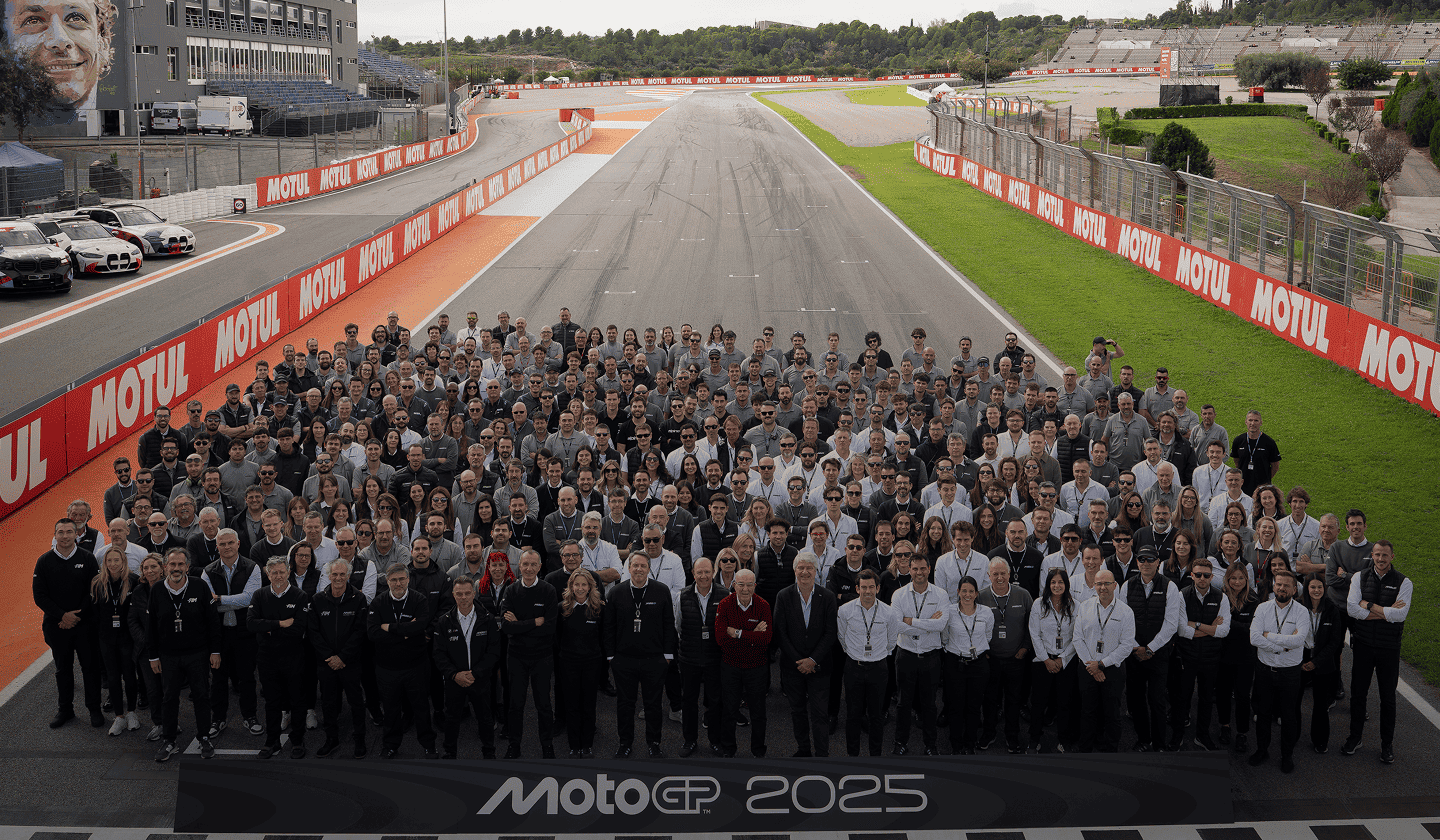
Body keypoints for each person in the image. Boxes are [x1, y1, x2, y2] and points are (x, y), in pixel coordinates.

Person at [147, 548, 221, 762]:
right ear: (165, 567)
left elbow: (213, 622)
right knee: (169, 698)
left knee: (201, 695)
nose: (176, 568)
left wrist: (215, 651)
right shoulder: (157, 589)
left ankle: (204, 737)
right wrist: (153, 656)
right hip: (168, 655)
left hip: (197, 653)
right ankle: (169, 740)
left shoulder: (200, 586)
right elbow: (151, 626)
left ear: (187, 567)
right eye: (172, 564)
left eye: (181, 564)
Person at [603, 553, 677, 758]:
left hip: (654, 660)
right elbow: (608, 627)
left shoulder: (661, 590)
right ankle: (625, 743)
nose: (638, 569)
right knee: (625, 704)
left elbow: (669, 624)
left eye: (643, 566)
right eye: (635, 565)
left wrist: (667, 656)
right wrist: (611, 657)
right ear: (629, 568)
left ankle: (654, 743)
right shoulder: (616, 592)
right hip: (623, 660)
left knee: (653, 704)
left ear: (649, 568)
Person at [1343, 540, 1409, 764]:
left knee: (1387, 698)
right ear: (1372, 555)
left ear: (1392, 557)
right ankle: (1355, 738)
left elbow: (1400, 616)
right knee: (1358, 694)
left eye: (1385, 555)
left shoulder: (1404, 582)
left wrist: (1369, 605)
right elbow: (1352, 609)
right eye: (1377, 554)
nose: (1380, 559)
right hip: (1363, 645)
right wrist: (1386, 613)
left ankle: (1386, 744)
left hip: (1389, 648)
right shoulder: (1358, 577)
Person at [34, 518, 104, 729]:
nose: (65, 536)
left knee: (90, 668)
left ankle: (94, 709)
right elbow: (39, 595)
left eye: (69, 532)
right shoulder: (44, 561)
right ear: (55, 535)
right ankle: (65, 709)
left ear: (76, 535)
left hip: (85, 625)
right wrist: (62, 616)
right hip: (57, 626)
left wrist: (75, 617)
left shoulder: (88, 558)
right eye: (61, 532)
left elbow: (94, 591)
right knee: (62, 669)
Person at [368, 564, 438, 759]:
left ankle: (429, 745)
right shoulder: (378, 602)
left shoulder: (419, 599)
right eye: (393, 580)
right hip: (387, 668)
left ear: (408, 580)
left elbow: (421, 626)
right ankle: (390, 745)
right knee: (390, 709)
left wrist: (390, 628)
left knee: (421, 707)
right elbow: (372, 633)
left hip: (416, 666)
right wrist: (405, 632)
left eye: (401, 579)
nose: (398, 583)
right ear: (387, 581)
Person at [774, 552, 838, 757]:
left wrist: (812, 660)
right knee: (797, 711)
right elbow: (780, 632)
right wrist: (799, 661)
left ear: (816, 571)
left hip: (820, 666)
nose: (805, 572)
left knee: (820, 713)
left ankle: (822, 753)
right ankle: (803, 750)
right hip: (793, 667)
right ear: (795, 571)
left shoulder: (827, 597)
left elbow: (831, 632)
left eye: (809, 568)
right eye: (801, 567)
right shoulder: (783, 596)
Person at [1119, 546, 1182, 752]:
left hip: (1159, 654)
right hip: (1134, 654)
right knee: (1136, 700)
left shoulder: (1170, 587)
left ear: (1158, 562)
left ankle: (1160, 743)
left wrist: (1150, 648)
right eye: (1142, 559)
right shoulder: (1127, 586)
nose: (1146, 563)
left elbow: (1171, 624)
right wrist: (1136, 647)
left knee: (1157, 701)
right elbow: (1122, 621)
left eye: (1150, 559)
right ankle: (1143, 739)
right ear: (1137, 562)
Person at [203, 528, 264, 739]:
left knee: (247, 677)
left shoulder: (252, 567)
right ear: (217, 546)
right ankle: (218, 719)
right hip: (219, 634)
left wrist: (220, 599)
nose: (227, 547)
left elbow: (250, 598)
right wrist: (233, 602)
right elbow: (208, 603)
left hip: (245, 632)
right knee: (218, 679)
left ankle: (250, 716)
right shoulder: (207, 571)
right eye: (222, 544)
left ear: (238, 544)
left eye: (230, 543)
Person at [247, 556, 311, 759]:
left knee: (297, 699)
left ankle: (298, 740)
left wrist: (267, 628)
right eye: (274, 572)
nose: (278, 576)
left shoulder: (300, 596)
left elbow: (299, 629)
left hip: (293, 656)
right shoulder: (259, 595)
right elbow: (251, 624)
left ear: (288, 572)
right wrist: (280, 624)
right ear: (268, 574)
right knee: (272, 701)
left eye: (282, 572)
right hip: (267, 657)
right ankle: (272, 740)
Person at [499, 549, 559, 758]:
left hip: (542, 656)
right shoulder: (511, 590)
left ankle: (547, 745)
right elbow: (507, 627)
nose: (529, 568)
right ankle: (514, 745)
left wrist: (520, 624)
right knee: (516, 704)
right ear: (519, 566)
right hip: (517, 656)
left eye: (534, 564)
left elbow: (549, 628)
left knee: (544, 704)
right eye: (525, 564)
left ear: (540, 567)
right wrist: (534, 622)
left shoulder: (548, 590)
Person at [433, 575, 500, 759]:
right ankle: (450, 753)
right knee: (451, 718)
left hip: (480, 679)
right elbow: (439, 654)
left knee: (485, 718)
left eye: (467, 593)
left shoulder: (487, 619)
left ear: (474, 593)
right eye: (459, 594)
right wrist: (454, 675)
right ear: (453, 595)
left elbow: (494, 652)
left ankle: (489, 752)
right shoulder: (444, 621)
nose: (463, 597)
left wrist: (476, 673)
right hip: (455, 681)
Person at [1249, 568, 1308, 773]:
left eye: (1286, 585)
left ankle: (1287, 755)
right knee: (1263, 713)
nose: (1282, 588)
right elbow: (1254, 638)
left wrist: (1268, 636)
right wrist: (1282, 647)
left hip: (1289, 672)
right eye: (1279, 584)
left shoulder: (1302, 611)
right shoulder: (1262, 608)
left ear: (1294, 589)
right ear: (1274, 586)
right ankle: (1262, 750)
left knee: (1289, 715)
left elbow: (1299, 640)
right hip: (1264, 669)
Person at [309, 558, 369, 758]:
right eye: (334, 574)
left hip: (350, 662)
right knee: (328, 702)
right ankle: (331, 738)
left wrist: (342, 657)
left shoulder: (359, 599)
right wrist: (329, 657)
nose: (338, 578)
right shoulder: (317, 599)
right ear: (328, 576)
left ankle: (360, 738)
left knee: (356, 702)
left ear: (348, 576)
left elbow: (360, 631)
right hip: (326, 663)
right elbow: (313, 632)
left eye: (342, 574)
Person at [837, 569, 900, 757]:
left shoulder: (889, 613)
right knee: (853, 715)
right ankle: (852, 756)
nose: (867, 591)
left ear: (878, 588)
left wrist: (877, 655)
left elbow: (891, 641)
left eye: (871, 587)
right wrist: (855, 653)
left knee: (876, 716)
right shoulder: (845, 610)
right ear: (857, 589)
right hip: (853, 668)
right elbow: (842, 637)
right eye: (863, 587)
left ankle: (875, 756)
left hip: (878, 669)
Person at [1171, 556, 1229, 751]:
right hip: (1186, 656)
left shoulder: (1221, 597)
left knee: (1206, 699)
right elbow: (1181, 630)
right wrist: (1210, 628)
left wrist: (1195, 625)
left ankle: (1202, 736)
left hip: (1211, 657)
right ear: (1192, 575)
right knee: (1181, 697)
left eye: (1206, 575)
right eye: (1198, 575)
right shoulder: (1182, 595)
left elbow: (1223, 631)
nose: (1202, 578)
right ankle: (1177, 735)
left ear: (1212, 577)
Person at [890, 552, 946, 755]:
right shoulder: (899, 595)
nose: (919, 572)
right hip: (906, 655)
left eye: (923, 568)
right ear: (909, 570)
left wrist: (911, 621)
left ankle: (930, 745)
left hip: (931, 656)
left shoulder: (940, 594)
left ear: (929, 569)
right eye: (915, 569)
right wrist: (928, 624)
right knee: (903, 703)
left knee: (929, 704)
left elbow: (940, 625)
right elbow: (897, 626)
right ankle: (900, 742)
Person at [1074, 570, 1135, 753]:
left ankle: (1110, 750)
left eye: (1107, 583)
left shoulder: (1126, 611)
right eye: (1099, 584)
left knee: (1112, 713)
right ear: (1094, 586)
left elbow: (1127, 645)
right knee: (1087, 711)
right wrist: (1092, 666)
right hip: (1087, 667)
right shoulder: (1085, 607)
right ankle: (1085, 748)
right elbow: (1077, 638)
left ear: (1115, 585)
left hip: (1112, 670)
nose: (1103, 587)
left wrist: (1101, 665)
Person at [715, 569, 773, 758]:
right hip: (731, 666)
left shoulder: (763, 605)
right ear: (734, 585)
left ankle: (758, 750)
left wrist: (738, 633)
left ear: (755, 586)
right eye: (741, 584)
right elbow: (721, 639)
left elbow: (766, 639)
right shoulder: (725, 605)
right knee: (729, 710)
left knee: (758, 712)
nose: (745, 589)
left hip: (757, 667)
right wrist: (753, 634)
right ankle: (728, 749)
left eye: (749, 585)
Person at [675, 556, 727, 758]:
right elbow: (678, 626)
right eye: (699, 572)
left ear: (713, 572)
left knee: (715, 701)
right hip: (689, 658)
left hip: (715, 658)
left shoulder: (725, 595)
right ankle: (689, 740)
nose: (703, 576)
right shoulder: (682, 596)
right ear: (693, 574)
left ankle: (715, 741)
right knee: (688, 701)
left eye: (707, 572)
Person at [977, 558, 1031, 753]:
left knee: (1014, 700)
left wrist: (1025, 648)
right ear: (988, 576)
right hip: (991, 659)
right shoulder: (981, 597)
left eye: (1003, 573)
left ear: (1009, 574)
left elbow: (1032, 625)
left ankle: (1012, 735)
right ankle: (989, 733)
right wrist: (984, 651)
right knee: (990, 699)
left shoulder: (1023, 595)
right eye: (995, 574)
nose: (999, 577)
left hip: (1016, 659)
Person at [556, 569, 606, 758]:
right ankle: (574, 745)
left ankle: (587, 745)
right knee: (571, 705)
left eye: (584, 584)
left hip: (592, 663)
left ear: (590, 587)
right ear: (571, 586)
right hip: (568, 663)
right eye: (576, 584)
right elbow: (557, 637)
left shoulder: (599, 608)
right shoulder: (562, 608)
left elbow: (603, 637)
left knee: (588, 704)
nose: (580, 588)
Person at [1027, 567, 1078, 753]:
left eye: (1060, 582)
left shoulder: (1075, 605)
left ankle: (1064, 739)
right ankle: (1034, 739)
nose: (1057, 586)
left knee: (1065, 703)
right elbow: (1034, 634)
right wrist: (1047, 659)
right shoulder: (1038, 604)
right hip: (1043, 661)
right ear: (1048, 585)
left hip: (1066, 662)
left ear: (1066, 585)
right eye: (1053, 582)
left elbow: (1077, 637)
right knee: (1038, 703)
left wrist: (1062, 659)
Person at [92, 546, 141, 735]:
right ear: (104, 563)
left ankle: (131, 713)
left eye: (116, 560)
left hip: (127, 638)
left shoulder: (134, 581)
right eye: (109, 560)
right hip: (106, 638)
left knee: (129, 675)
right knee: (112, 677)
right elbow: (95, 613)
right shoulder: (97, 583)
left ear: (123, 562)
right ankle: (119, 716)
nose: (113, 564)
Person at [941, 575, 992, 754]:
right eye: (964, 591)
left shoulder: (986, 612)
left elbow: (988, 635)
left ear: (977, 593)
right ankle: (956, 745)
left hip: (978, 665)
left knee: (974, 706)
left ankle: (970, 744)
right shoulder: (949, 611)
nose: (967, 595)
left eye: (971, 591)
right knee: (955, 706)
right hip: (955, 664)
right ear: (958, 592)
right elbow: (944, 637)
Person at [1302, 573, 1343, 755]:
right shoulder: (1298, 607)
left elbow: (1335, 642)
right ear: (1307, 588)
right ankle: (1292, 736)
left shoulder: (1332, 610)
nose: (1316, 590)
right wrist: (1303, 662)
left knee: (1320, 705)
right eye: (1313, 587)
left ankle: (1320, 740)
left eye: (1320, 587)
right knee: (1293, 702)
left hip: (1323, 664)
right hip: (1300, 662)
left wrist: (1316, 662)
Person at [1230, 410, 1280, 495]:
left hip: (1263, 488)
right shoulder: (1238, 441)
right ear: (1246, 422)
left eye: (1256, 420)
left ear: (1261, 423)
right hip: (1243, 486)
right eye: (1250, 420)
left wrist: (1266, 479)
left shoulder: (1269, 442)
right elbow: (1236, 461)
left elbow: (1275, 466)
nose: (1253, 423)